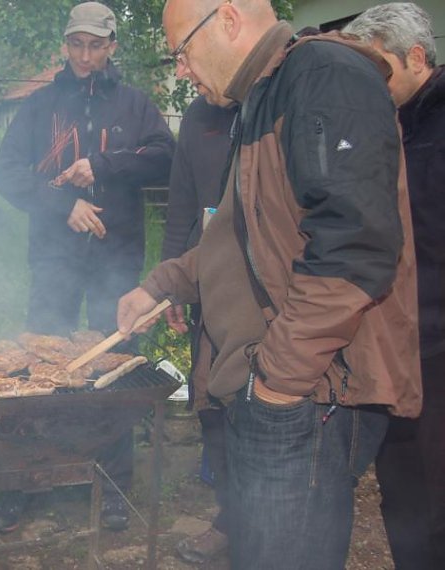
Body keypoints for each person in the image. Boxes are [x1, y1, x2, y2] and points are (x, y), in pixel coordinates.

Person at [118, 1, 421, 568]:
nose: (180, 68)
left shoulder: (322, 76)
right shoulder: (260, 97)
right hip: (276, 391)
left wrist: (278, 381)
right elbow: (234, 237)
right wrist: (160, 286)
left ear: (227, 19)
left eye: (181, 50)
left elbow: (356, 245)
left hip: (309, 396)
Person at [0, 1, 175, 534]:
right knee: (39, 364)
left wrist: (103, 164)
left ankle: (112, 481)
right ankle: (28, 480)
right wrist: (61, 204)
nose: (86, 55)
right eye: (77, 44)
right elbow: (5, 174)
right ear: (65, 45)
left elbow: (166, 155)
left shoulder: (135, 105)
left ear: (112, 47)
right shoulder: (40, 105)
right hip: (53, 254)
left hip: (116, 258)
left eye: (96, 45)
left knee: (114, 365)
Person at [344, 5, 445, 569]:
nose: (372, 84)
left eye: (379, 68)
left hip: (439, 339)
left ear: (414, 57)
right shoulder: (387, 119)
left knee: (436, 495)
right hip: (398, 340)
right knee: (403, 488)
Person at [160, 95, 235, 564]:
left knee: (251, 406)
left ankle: (256, 520)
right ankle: (230, 517)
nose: (186, 72)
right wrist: (172, 281)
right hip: (204, 277)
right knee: (207, 399)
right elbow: (181, 202)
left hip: (262, 287)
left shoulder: (270, 99)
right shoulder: (198, 115)